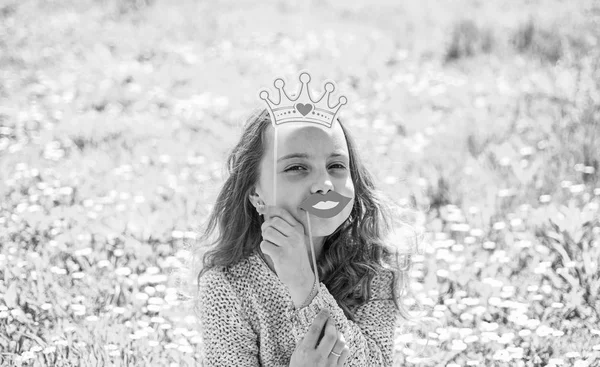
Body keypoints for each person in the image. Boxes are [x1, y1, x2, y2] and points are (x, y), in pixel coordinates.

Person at [191, 78, 422, 366]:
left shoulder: (373, 265)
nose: (324, 184)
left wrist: (304, 285)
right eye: (297, 167)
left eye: (336, 166)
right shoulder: (229, 285)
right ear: (255, 194)